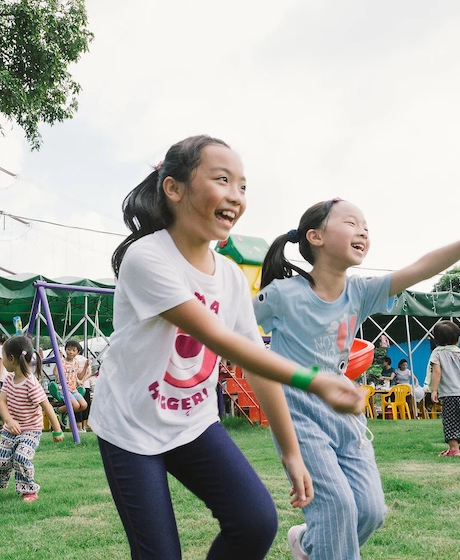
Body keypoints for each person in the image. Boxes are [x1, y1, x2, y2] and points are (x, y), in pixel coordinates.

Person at [88, 135, 364, 560]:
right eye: (222, 180)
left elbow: (259, 364)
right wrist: (314, 381)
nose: (236, 196)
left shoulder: (232, 275)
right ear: (174, 188)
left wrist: (291, 453)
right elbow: (220, 339)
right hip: (130, 427)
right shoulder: (147, 258)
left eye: (243, 186)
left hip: (193, 424)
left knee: (255, 521)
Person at [255, 195, 460, 560]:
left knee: (370, 511)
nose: (362, 231)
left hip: (344, 409)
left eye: (365, 226)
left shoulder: (360, 291)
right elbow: (231, 330)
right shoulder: (282, 295)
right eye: (350, 223)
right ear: (315, 237)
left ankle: (309, 546)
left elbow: (423, 267)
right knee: (336, 508)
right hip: (297, 410)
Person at [0, 335, 64, 503]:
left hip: (30, 430)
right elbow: (1, 402)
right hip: (10, 430)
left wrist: (57, 430)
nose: (2, 360)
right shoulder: (9, 379)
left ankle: (28, 490)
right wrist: (9, 421)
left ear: (12, 359)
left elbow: (47, 406)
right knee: (2, 460)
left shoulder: (30, 383)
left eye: (3, 356)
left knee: (21, 457)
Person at [428, 321, 460, 457]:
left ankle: (454, 449)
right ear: (458, 338)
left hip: (450, 394)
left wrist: (434, 390)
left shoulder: (437, 354)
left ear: (437, 339)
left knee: (451, 421)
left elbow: (436, 372)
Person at [53, 340, 88, 428]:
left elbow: (79, 377)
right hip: (64, 389)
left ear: (77, 352)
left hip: (73, 389)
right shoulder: (62, 362)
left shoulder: (76, 362)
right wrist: (57, 361)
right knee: (75, 406)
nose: (71, 352)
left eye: (73, 350)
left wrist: (86, 367)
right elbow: (55, 373)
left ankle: (63, 411)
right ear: (65, 350)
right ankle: (57, 411)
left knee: (84, 405)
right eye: (68, 349)